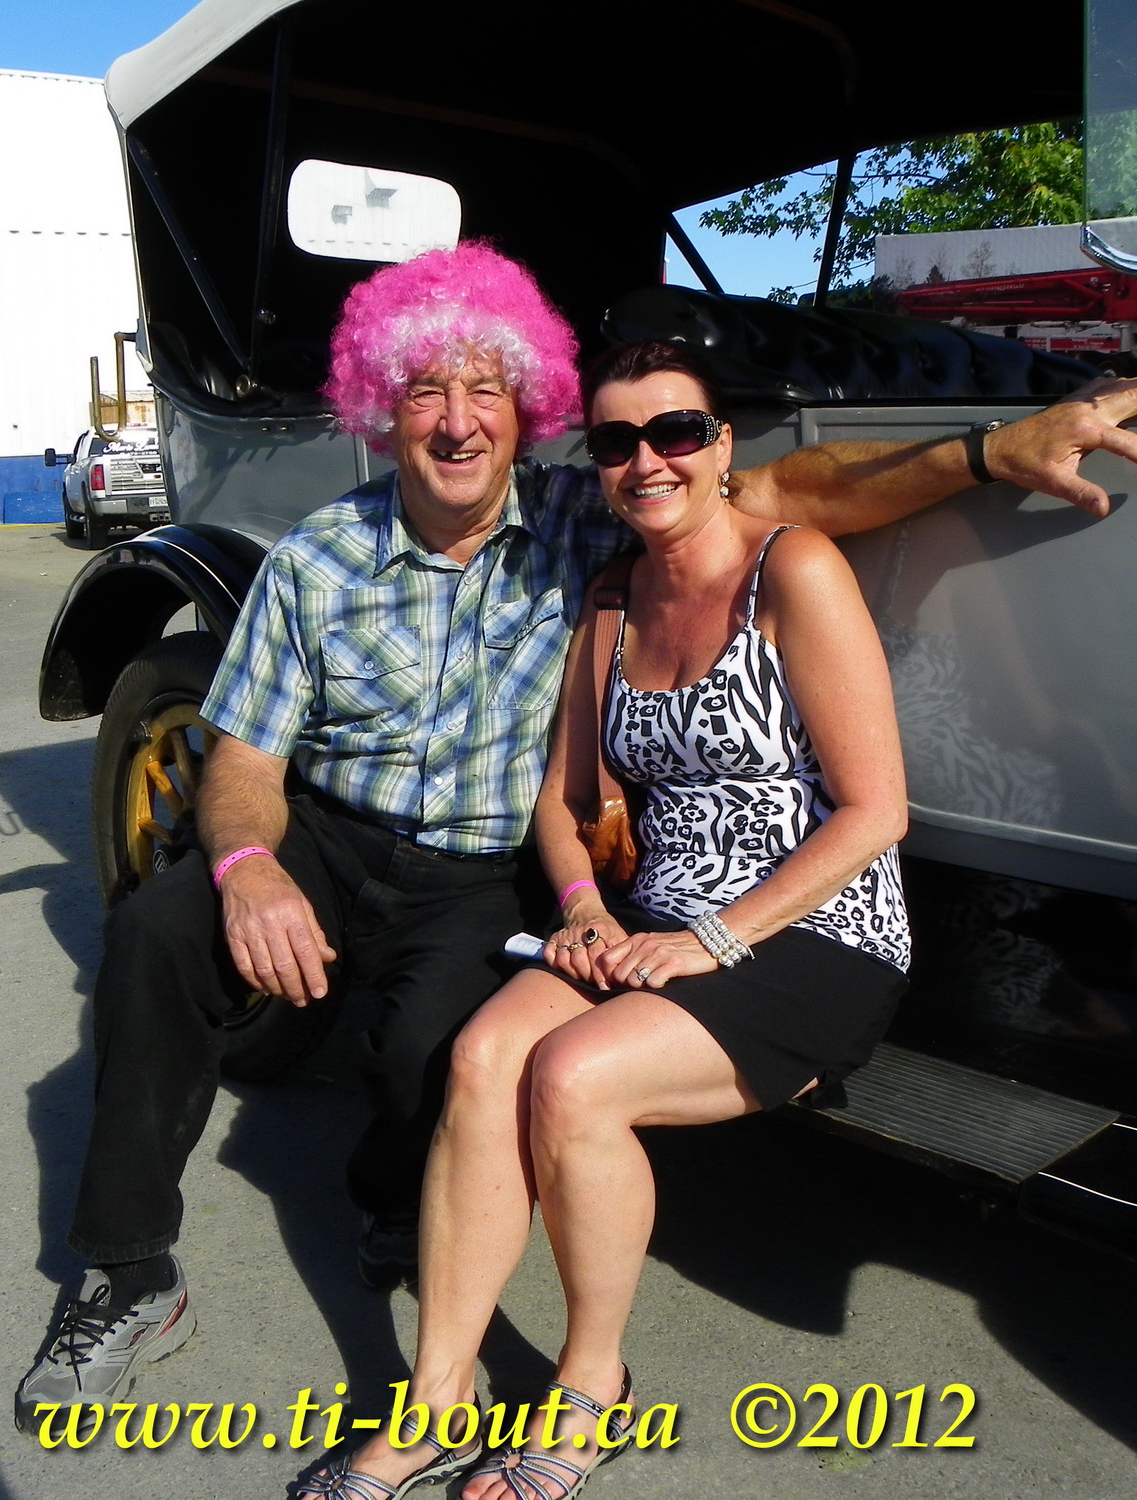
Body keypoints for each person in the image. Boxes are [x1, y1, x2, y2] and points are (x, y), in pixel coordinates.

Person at [14, 241, 1137, 1430]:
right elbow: (244, 763)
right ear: (381, 409)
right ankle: (126, 1271)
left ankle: (396, 1199)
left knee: (445, 1053)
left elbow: (803, 491)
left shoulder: (592, 513)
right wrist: (243, 866)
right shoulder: (317, 560)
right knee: (160, 929)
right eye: (424, 391)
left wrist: (992, 451)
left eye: (486, 389)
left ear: (527, 408)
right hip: (329, 834)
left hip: (478, 870)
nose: (458, 422)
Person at [289, 337, 912, 1499]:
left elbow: (877, 813)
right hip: (653, 915)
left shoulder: (793, 569)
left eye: (674, 431)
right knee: (482, 1058)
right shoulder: (614, 601)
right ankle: (436, 1398)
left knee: (570, 1079)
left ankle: (588, 1388)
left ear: (721, 447)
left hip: (812, 931)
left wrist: (714, 938)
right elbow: (560, 797)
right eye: (616, 442)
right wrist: (579, 905)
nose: (646, 461)